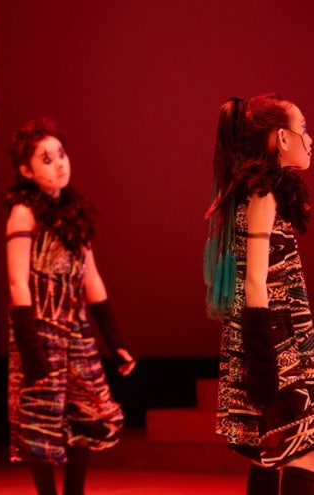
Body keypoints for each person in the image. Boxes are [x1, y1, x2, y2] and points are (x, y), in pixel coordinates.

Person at [4, 116, 136, 495]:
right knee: (41, 418)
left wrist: (116, 341)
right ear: (26, 171)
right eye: (46, 159)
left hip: (75, 329)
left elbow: (92, 279)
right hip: (40, 329)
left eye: (61, 154)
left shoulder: (75, 212)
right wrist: (31, 348)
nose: (59, 163)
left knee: (89, 412)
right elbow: (17, 282)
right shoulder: (24, 212)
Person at [204, 93, 314, 495]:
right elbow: (254, 281)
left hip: (282, 335)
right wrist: (265, 362)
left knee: (271, 449)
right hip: (275, 338)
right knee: (304, 448)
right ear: (282, 138)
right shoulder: (263, 194)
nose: (309, 138)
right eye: (303, 129)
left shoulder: (266, 192)